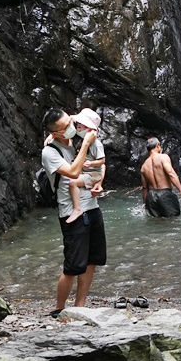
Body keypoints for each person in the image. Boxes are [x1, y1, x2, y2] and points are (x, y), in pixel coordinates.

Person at [41, 107, 108, 315]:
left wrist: (99, 182)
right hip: (71, 212)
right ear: (54, 133)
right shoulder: (50, 151)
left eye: (70, 122)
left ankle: (80, 307)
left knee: (92, 261)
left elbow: (101, 164)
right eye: (65, 128)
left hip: (92, 207)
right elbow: (72, 171)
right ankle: (59, 309)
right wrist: (85, 144)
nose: (71, 128)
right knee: (72, 266)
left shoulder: (78, 134)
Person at [64, 108, 106, 224]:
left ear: (89, 128)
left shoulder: (96, 144)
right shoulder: (82, 140)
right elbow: (69, 119)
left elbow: (102, 161)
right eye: (78, 124)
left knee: (72, 182)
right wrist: (52, 135)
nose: (78, 127)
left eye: (81, 125)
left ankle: (77, 209)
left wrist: (91, 163)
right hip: (86, 173)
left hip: (93, 174)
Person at [140, 137, 181, 218]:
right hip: (165, 194)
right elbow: (170, 173)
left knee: (156, 222)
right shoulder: (163, 157)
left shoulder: (144, 166)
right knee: (173, 220)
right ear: (158, 145)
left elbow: (145, 188)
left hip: (151, 197)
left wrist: (145, 203)